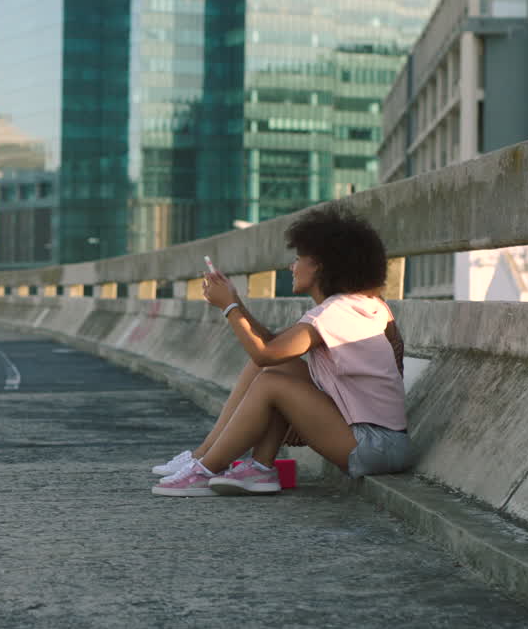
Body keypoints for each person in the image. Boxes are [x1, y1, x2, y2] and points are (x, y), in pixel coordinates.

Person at [151, 206, 410, 497]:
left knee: (270, 381)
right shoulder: (365, 305)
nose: (292, 266)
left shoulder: (334, 313)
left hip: (372, 445)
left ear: (320, 265)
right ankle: (247, 466)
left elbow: (265, 352)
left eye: (298, 259)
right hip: (384, 440)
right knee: (273, 370)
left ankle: (206, 469)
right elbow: (276, 349)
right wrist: (236, 302)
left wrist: (229, 307)